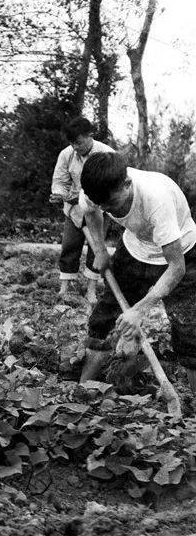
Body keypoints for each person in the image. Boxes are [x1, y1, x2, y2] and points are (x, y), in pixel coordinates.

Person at [78, 152, 196, 397]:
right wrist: (99, 249)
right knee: (103, 318)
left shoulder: (156, 198)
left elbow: (177, 267)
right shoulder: (95, 190)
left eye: (111, 203)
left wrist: (139, 310)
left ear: (128, 184)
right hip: (135, 249)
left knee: (189, 332)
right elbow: (90, 211)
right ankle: (82, 390)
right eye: (101, 204)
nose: (106, 209)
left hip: (183, 251)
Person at [50, 117, 114, 302]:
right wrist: (59, 195)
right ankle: (64, 288)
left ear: (89, 135)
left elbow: (111, 185)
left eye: (78, 142)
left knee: (96, 249)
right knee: (70, 245)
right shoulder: (66, 154)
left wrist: (86, 197)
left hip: (100, 209)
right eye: (71, 143)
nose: (75, 147)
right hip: (75, 210)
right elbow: (60, 181)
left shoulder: (106, 154)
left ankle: (91, 290)